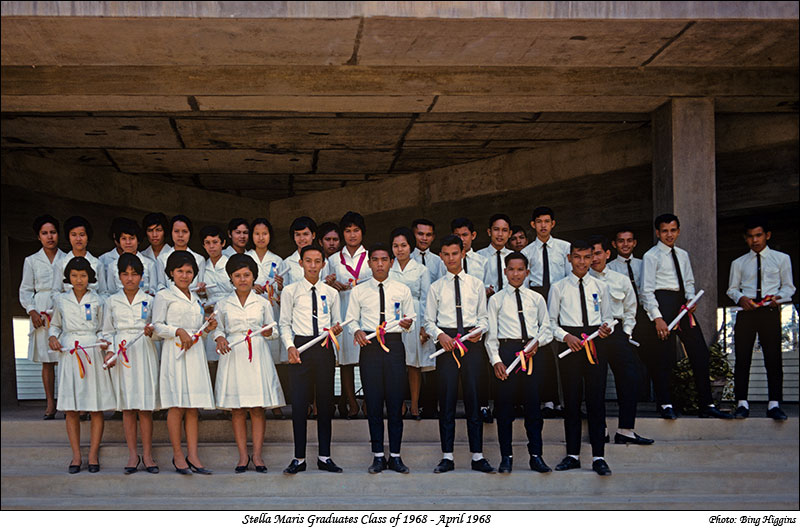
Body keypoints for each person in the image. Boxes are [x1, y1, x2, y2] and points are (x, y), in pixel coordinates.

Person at [641, 213, 733, 420]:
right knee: (663, 357)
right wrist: (657, 318)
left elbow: (689, 282)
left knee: (699, 353)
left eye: (673, 230)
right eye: (664, 231)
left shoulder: (682, 254)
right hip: (662, 304)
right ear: (657, 233)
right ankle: (665, 404)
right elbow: (646, 291)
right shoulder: (651, 256)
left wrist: (691, 301)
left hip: (682, 306)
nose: (669, 235)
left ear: (678, 231)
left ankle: (707, 404)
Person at [426, 235, 494, 474]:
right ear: (441, 256)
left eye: (455, 253)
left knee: (474, 399)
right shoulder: (436, 287)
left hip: (471, 344)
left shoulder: (476, 284)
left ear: (463, 253)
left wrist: (480, 330)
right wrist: (439, 336)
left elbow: (485, 318)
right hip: (446, 345)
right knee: (446, 400)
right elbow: (428, 321)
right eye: (446, 254)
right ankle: (447, 456)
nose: (451, 258)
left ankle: (477, 455)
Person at [214, 254, 286, 473]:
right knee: (237, 409)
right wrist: (219, 337)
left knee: (257, 408)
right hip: (234, 354)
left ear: (254, 277)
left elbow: (274, 331)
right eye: (237, 276)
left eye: (247, 275)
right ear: (231, 278)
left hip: (257, 355)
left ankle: (257, 455)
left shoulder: (263, 302)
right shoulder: (223, 303)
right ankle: (243, 456)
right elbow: (218, 328)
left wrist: (268, 331)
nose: (242, 279)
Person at [348, 243, 415, 473]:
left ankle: (395, 455)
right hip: (370, 347)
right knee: (374, 402)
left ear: (391, 262)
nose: (379, 264)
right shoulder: (359, 290)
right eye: (375, 260)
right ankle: (378, 455)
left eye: (384, 259)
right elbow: (351, 320)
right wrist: (356, 331)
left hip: (394, 345)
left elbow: (409, 320)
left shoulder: (402, 289)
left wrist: (408, 324)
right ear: (369, 263)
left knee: (396, 403)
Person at [548, 241, 614, 476]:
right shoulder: (558, 288)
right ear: (569, 258)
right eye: (577, 257)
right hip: (571, 347)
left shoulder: (600, 286)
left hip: (595, 345)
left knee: (596, 400)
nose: (582, 262)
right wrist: (566, 337)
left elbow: (609, 317)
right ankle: (572, 455)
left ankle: (598, 456)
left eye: (587, 257)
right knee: (572, 401)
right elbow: (551, 323)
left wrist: (607, 328)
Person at [486, 252, 553, 473]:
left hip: (532, 353)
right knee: (504, 409)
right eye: (511, 269)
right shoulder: (496, 300)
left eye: (520, 269)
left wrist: (538, 343)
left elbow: (547, 328)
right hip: (508, 353)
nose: (516, 274)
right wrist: (496, 360)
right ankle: (506, 456)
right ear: (505, 271)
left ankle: (536, 455)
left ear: (527, 272)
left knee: (533, 407)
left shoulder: (536, 298)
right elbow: (491, 336)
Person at [279, 244, 344, 474]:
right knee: (299, 404)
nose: (313, 266)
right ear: (301, 263)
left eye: (318, 261)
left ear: (324, 264)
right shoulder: (290, 291)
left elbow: (338, 322)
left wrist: (336, 330)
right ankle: (299, 458)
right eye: (309, 261)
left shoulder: (332, 293)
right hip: (300, 347)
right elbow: (284, 323)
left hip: (324, 347)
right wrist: (290, 346)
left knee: (325, 403)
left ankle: (324, 456)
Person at [152, 251, 218, 474]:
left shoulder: (196, 298)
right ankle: (178, 455)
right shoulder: (164, 296)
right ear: (171, 272)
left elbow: (198, 330)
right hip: (175, 352)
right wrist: (177, 331)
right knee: (177, 403)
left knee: (192, 406)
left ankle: (193, 455)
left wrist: (207, 329)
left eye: (189, 271)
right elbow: (156, 326)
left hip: (195, 353)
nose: (184, 275)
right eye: (180, 271)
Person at [48, 257, 114, 473]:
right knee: (71, 408)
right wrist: (52, 338)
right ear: (68, 277)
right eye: (75, 275)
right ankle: (76, 455)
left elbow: (105, 329)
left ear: (90, 277)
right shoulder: (60, 300)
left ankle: (93, 454)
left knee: (95, 407)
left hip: (93, 350)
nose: (79, 279)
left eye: (83, 275)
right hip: (70, 351)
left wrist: (105, 342)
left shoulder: (99, 300)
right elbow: (55, 325)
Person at [727, 216, 795, 421]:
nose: (755, 240)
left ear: (767, 235)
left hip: (769, 312)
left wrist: (779, 298)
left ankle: (774, 404)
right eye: (750, 237)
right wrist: (741, 298)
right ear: (745, 238)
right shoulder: (738, 263)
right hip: (746, 314)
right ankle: (742, 403)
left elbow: (789, 287)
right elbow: (731, 289)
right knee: (742, 359)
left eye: (758, 235)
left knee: (773, 358)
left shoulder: (781, 259)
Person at [588, 236, 654, 445]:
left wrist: (626, 333)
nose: (594, 258)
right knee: (595, 384)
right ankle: (600, 430)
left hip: (617, 333)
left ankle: (626, 429)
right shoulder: (583, 281)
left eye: (598, 253)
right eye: (590, 255)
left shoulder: (620, 280)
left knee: (629, 379)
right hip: (593, 334)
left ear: (608, 254)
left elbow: (630, 310)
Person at [101, 253, 160, 474]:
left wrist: (151, 332)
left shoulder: (150, 300)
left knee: (144, 407)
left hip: (143, 350)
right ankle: (132, 455)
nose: (130, 278)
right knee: (128, 407)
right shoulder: (111, 301)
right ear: (119, 276)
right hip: (121, 349)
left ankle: (148, 455)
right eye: (125, 274)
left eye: (134, 274)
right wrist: (109, 351)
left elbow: (158, 331)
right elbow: (106, 331)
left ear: (141, 277)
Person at [521, 206, 571, 418]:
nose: (543, 225)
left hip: (561, 296)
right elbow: (523, 284)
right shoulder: (527, 252)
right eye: (539, 221)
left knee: (566, 351)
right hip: (538, 297)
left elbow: (570, 277)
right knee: (544, 352)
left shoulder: (565, 247)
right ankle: (549, 399)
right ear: (533, 225)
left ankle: (567, 401)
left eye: (547, 221)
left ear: (553, 224)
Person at [323, 211, 372, 419]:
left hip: (366, 310)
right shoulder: (333, 260)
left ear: (362, 232)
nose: (352, 235)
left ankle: (370, 401)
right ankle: (351, 402)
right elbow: (324, 287)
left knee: (367, 358)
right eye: (348, 231)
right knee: (345, 360)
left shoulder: (371, 257)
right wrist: (332, 284)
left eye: (356, 230)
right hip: (343, 309)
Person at [19, 214, 65, 420]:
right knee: (47, 361)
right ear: (38, 237)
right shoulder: (31, 261)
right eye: (45, 233)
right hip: (41, 309)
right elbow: (26, 289)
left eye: (53, 232)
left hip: (63, 308)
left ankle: (69, 403)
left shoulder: (67, 258)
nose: (49, 237)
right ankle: (50, 402)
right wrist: (32, 310)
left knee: (66, 358)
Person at [389, 227, 433, 421]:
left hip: (414, 317)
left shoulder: (421, 269)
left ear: (410, 246)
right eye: (396, 246)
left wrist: (424, 326)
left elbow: (426, 300)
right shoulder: (388, 269)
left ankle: (415, 405)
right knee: (396, 364)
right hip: (393, 319)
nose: (400, 250)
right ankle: (398, 405)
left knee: (414, 364)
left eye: (404, 245)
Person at [451, 217, 491, 423]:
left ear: (473, 236)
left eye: (465, 235)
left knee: (478, 366)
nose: (461, 239)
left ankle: (482, 405)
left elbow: (488, 288)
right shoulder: (448, 261)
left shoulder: (482, 261)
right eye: (457, 235)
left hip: (475, 321)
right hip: (453, 322)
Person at [608, 228, 652, 402]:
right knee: (625, 360)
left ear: (634, 243)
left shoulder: (643, 264)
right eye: (621, 241)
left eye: (629, 240)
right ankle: (626, 398)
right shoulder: (609, 268)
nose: (625, 244)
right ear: (614, 244)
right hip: (621, 317)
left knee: (648, 356)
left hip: (643, 315)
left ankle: (648, 396)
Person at [198, 225, 235, 386]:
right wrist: (203, 298)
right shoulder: (202, 266)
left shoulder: (229, 264)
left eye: (215, 242)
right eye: (207, 243)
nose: (211, 246)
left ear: (223, 243)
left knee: (228, 352)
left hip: (229, 310)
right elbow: (199, 294)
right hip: (210, 313)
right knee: (211, 355)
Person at [246, 218, 285, 365]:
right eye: (257, 233)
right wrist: (250, 286)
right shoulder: (246, 258)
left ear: (270, 236)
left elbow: (283, 294)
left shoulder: (278, 260)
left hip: (272, 308)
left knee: (272, 350)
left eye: (264, 233)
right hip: (251, 308)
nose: (261, 238)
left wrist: (280, 287)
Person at [52, 216, 106, 297]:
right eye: (73, 235)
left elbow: (103, 293)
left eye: (82, 235)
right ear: (69, 237)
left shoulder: (97, 264)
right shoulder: (61, 264)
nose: (78, 239)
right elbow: (55, 293)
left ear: (88, 237)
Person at [105, 218, 160, 296]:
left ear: (138, 240)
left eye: (132, 238)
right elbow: (111, 292)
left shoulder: (149, 264)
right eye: (124, 238)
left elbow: (153, 291)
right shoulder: (112, 266)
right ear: (119, 241)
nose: (128, 242)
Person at [156, 215, 206, 291]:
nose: (180, 235)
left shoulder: (199, 259)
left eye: (184, 231)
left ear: (190, 233)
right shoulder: (162, 259)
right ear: (171, 233)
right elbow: (161, 284)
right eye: (176, 231)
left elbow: (200, 285)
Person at [477, 213, 513, 298]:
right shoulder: (479, 256)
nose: (500, 234)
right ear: (489, 232)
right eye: (496, 229)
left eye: (504, 230)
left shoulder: (514, 256)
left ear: (510, 233)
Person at [279, 216, 317, 287]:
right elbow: (283, 291)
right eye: (298, 235)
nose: (302, 238)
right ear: (294, 237)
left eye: (305, 234)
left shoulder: (324, 262)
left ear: (313, 235)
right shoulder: (287, 263)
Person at [411, 218, 445, 283]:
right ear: (412, 235)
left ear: (433, 237)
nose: (424, 238)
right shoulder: (406, 260)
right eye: (420, 234)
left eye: (428, 235)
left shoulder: (438, 261)